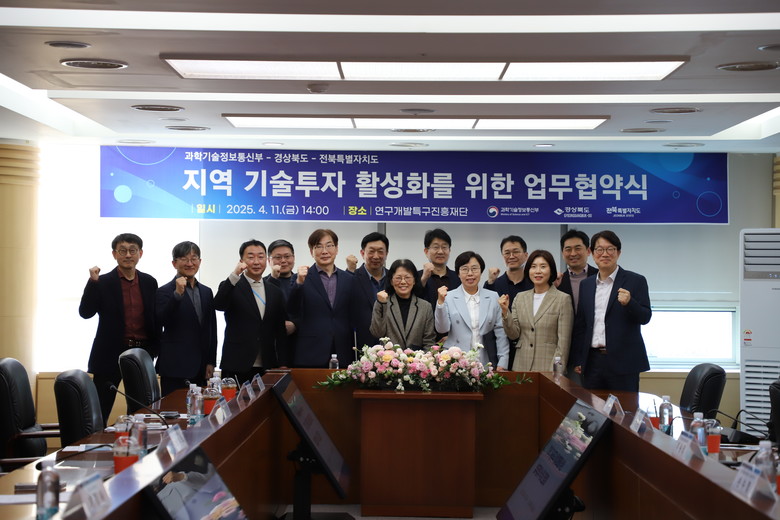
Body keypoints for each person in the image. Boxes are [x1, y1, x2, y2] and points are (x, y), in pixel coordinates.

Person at [78, 232, 158, 426]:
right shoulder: (102, 282)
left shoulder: (149, 282)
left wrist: (155, 350)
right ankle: (95, 442)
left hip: (140, 352)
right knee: (101, 409)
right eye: (122, 251)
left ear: (140, 253)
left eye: (132, 250)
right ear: (114, 254)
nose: (128, 255)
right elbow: (85, 313)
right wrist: (92, 283)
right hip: (109, 354)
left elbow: (154, 318)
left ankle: (137, 443)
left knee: (141, 410)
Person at [571, 230, 652, 392]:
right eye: (600, 249)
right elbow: (581, 325)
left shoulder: (636, 281)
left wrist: (630, 303)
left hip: (624, 362)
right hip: (592, 362)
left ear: (618, 253)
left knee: (625, 407)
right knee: (593, 407)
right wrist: (579, 358)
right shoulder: (586, 285)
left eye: (610, 249)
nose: (605, 254)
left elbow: (645, 317)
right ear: (592, 253)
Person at [214, 239, 288, 385]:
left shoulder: (275, 291)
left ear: (267, 260)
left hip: (267, 364)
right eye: (250, 257)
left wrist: (283, 363)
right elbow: (218, 305)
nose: (256, 262)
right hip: (237, 363)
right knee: (235, 400)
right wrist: (235, 274)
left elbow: (280, 330)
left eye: (260, 257)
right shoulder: (231, 286)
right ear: (241, 261)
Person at [287, 229, 357, 368]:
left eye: (329, 245)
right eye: (318, 246)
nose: (324, 251)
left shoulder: (349, 279)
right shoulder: (300, 278)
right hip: (311, 353)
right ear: (311, 252)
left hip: (343, 351)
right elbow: (292, 309)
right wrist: (299, 283)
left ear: (336, 249)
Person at [155, 241, 217, 396]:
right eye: (184, 259)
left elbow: (211, 328)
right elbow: (161, 321)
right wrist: (177, 295)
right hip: (175, 367)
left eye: (194, 258)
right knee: (174, 409)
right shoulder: (164, 291)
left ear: (200, 261)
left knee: (200, 409)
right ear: (174, 263)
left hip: (201, 368)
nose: (190, 263)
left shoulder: (206, 292)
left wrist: (211, 361)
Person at [499, 250, 573, 373]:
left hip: (548, 368)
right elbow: (514, 334)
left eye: (543, 266)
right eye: (533, 267)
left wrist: (556, 372)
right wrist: (505, 312)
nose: (538, 271)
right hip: (521, 366)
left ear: (551, 270)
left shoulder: (563, 299)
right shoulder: (520, 298)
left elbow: (563, 344)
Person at [434, 251, 509, 370]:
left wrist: (503, 361)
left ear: (481, 271)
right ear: (458, 273)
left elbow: (500, 331)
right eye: (465, 269)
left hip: (484, 361)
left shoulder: (493, 296)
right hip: (455, 361)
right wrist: (440, 303)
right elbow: (442, 329)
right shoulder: (448, 297)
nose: (470, 273)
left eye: (474, 269)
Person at [555, 229, 598, 383]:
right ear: (562, 253)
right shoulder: (557, 282)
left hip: (595, 354)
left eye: (577, 248)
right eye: (568, 249)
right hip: (567, 354)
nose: (573, 253)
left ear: (588, 251)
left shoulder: (600, 277)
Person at [483, 235, 533, 367]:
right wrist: (490, 282)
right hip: (499, 348)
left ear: (526, 255)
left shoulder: (534, 284)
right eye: (507, 253)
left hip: (527, 347)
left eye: (516, 252)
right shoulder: (494, 284)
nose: (511, 256)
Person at [370, 259, 435, 350]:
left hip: (418, 358)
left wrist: (422, 358)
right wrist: (381, 304)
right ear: (391, 281)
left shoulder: (425, 307)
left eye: (407, 277)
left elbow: (429, 341)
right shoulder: (383, 302)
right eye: (398, 278)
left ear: (414, 280)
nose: (403, 282)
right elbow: (377, 333)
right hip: (389, 357)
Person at [349, 232, 389, 349]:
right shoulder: (352, 277)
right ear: (362, 253)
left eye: (380, 251)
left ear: (386, 254)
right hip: (360, 344)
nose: (376, 256)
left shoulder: (394, 279)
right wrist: (349, 270)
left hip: (390, 345)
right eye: (371, 251)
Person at [418, 228, 461, 309]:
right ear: (426, 251)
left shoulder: (458, 277)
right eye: (436, 247)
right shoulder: (417, 276)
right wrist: (423, 279)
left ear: (449, 250)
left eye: (444, 247)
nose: (440, 251)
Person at [264, 239, 297, 338]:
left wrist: (296, 324)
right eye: (278, 257)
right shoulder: (262, 283)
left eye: (287, 256)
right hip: (271, 339)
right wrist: (273, 278)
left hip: (300, 339)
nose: (283, 261)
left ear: (293, 258)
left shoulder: (302, 281)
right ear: (269, 261)